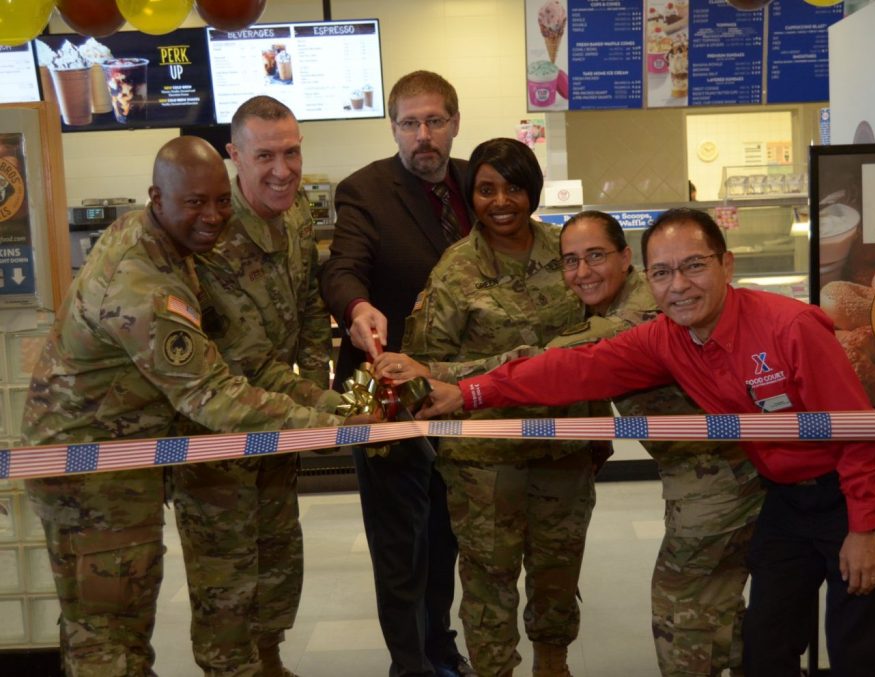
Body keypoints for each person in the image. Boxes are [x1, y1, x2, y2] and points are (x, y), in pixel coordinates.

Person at [418, 208, 875, 677]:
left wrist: (864, 526)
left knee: (859, 651)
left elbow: (856, 427)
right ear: (649, 278)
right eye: (663, 273)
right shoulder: (668, 338)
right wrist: (468, 392)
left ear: (726, 264)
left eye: (693, 267)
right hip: (786, 498)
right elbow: (570, 368)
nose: (678, 286)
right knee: (767, 645)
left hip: (858, 489)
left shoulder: (790, 327)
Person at [21, 137, 366, 677]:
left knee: (125, 617)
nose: (213, 216)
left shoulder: (168, 245)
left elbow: (243, 361)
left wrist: (337, 408)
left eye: (219, 201)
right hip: (88, 473)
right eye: (195, 203)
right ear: (157, 198)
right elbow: (212, 395)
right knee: (106, 629)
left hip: (123, 456)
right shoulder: (144, 283)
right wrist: (331, 426)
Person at [378, 210, 764, 676]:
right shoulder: (615, 303)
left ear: (625, 258)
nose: (582, 273)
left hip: (719, 480)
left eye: (596, 257)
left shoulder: (637, 313)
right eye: (570, 262)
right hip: (707, 475)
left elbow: (554, 361)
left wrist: (444, 378)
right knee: (717, 608)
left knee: (683, 616)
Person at [401, 137, 595, 677]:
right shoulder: (456, 269)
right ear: (472, 196)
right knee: (490, 580)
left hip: (565, 449)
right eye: (486, 189)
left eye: (513, 186)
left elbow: (602, 337)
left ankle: (553, 663)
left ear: (531, 190)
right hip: (484, 460)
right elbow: (425, 364)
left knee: (558, 572)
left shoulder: (568, 254)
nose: (501, 200)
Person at [171, 96, 341, 677]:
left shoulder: (295, 216)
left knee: (277, 558)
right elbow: (250, 359)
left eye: (291, 152)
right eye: (265, 154)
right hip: (217, 436)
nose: (282, 169)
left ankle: (269, 661)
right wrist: (327, 410)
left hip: (279, 430)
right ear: (233, 156)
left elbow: (313, 312)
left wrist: (319, 383)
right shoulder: (209, 234)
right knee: (225, 576)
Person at [319, 70, 473, 677]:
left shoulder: (474, 183)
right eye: (409, 123)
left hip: (458, 391)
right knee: (398, 541)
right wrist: (358, 309)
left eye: (435, 121)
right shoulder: (365, 190)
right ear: (394, 128)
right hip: (385, 392)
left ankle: (440, 643)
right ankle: (408, 663)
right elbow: (341, 268)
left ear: (455, 123)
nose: (423, 136)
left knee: (446, 532)